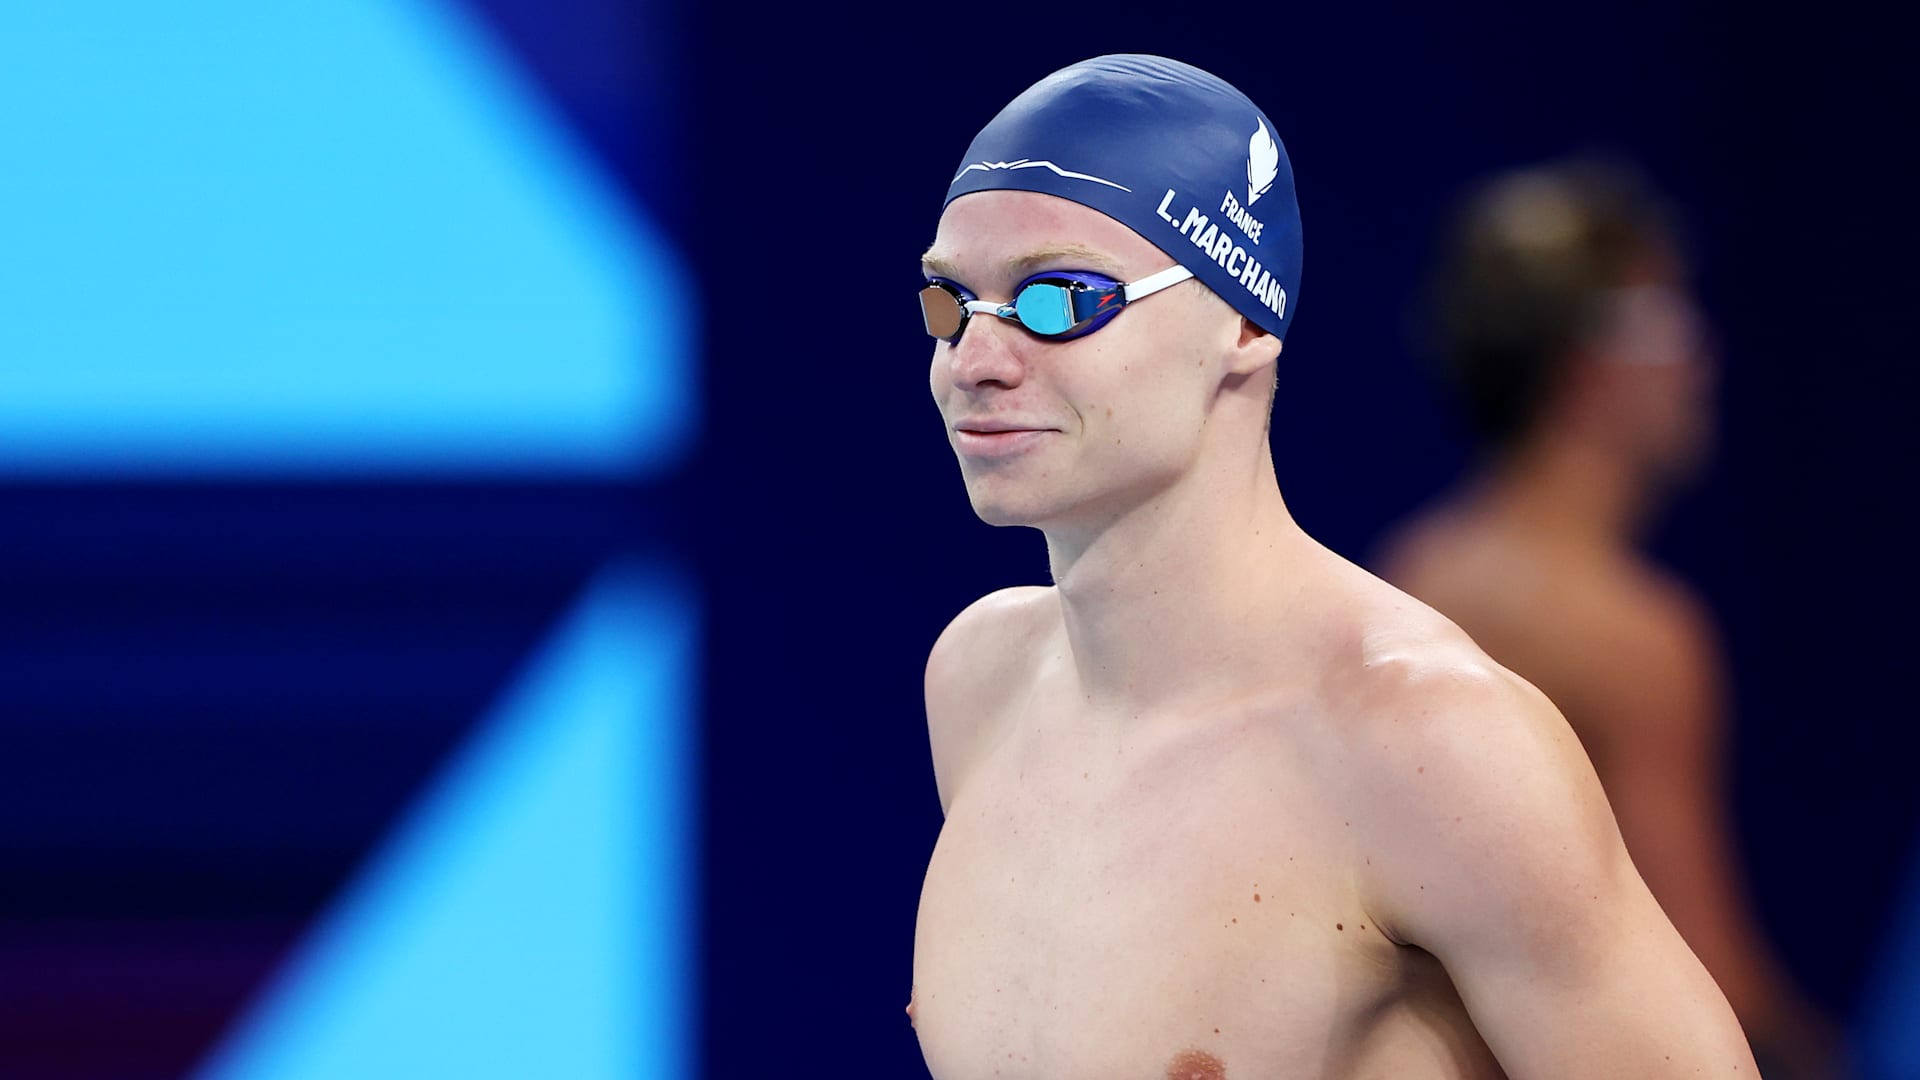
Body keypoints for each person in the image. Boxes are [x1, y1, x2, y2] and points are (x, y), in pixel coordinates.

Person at [907, 55, 1757, 1079]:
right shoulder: (981, 683)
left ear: (1245, 323)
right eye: (952, 300)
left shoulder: (1423, 741)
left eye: (1059, 298)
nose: (977, 359)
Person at [1374, 160, 1836, 1077]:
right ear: (1595, 365)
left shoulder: (1409, 572)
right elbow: (1714, 981)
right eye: (1677, 325)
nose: (1704, 363)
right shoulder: (1634, 639)